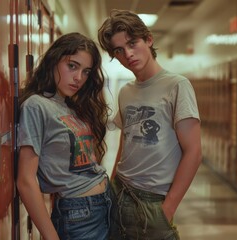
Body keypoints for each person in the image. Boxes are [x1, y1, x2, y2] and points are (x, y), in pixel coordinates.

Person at [98, 9, 202, 239]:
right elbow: (126, 142)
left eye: (132, 43)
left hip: (154, 200)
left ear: (149, 39)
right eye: (119, 50)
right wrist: (114, 184)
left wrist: (168, 209)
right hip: (121, 192)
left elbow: (193, 152)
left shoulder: (177, 86)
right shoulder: (126, 92)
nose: (128, 54)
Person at [16, 32, 111, 240]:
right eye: (72, 66)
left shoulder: (69, 105)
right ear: (54, 61)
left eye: (86, 71)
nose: (79, 78)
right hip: (78, 215)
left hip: (103, 204)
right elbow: (25, 180)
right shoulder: (36, 106)